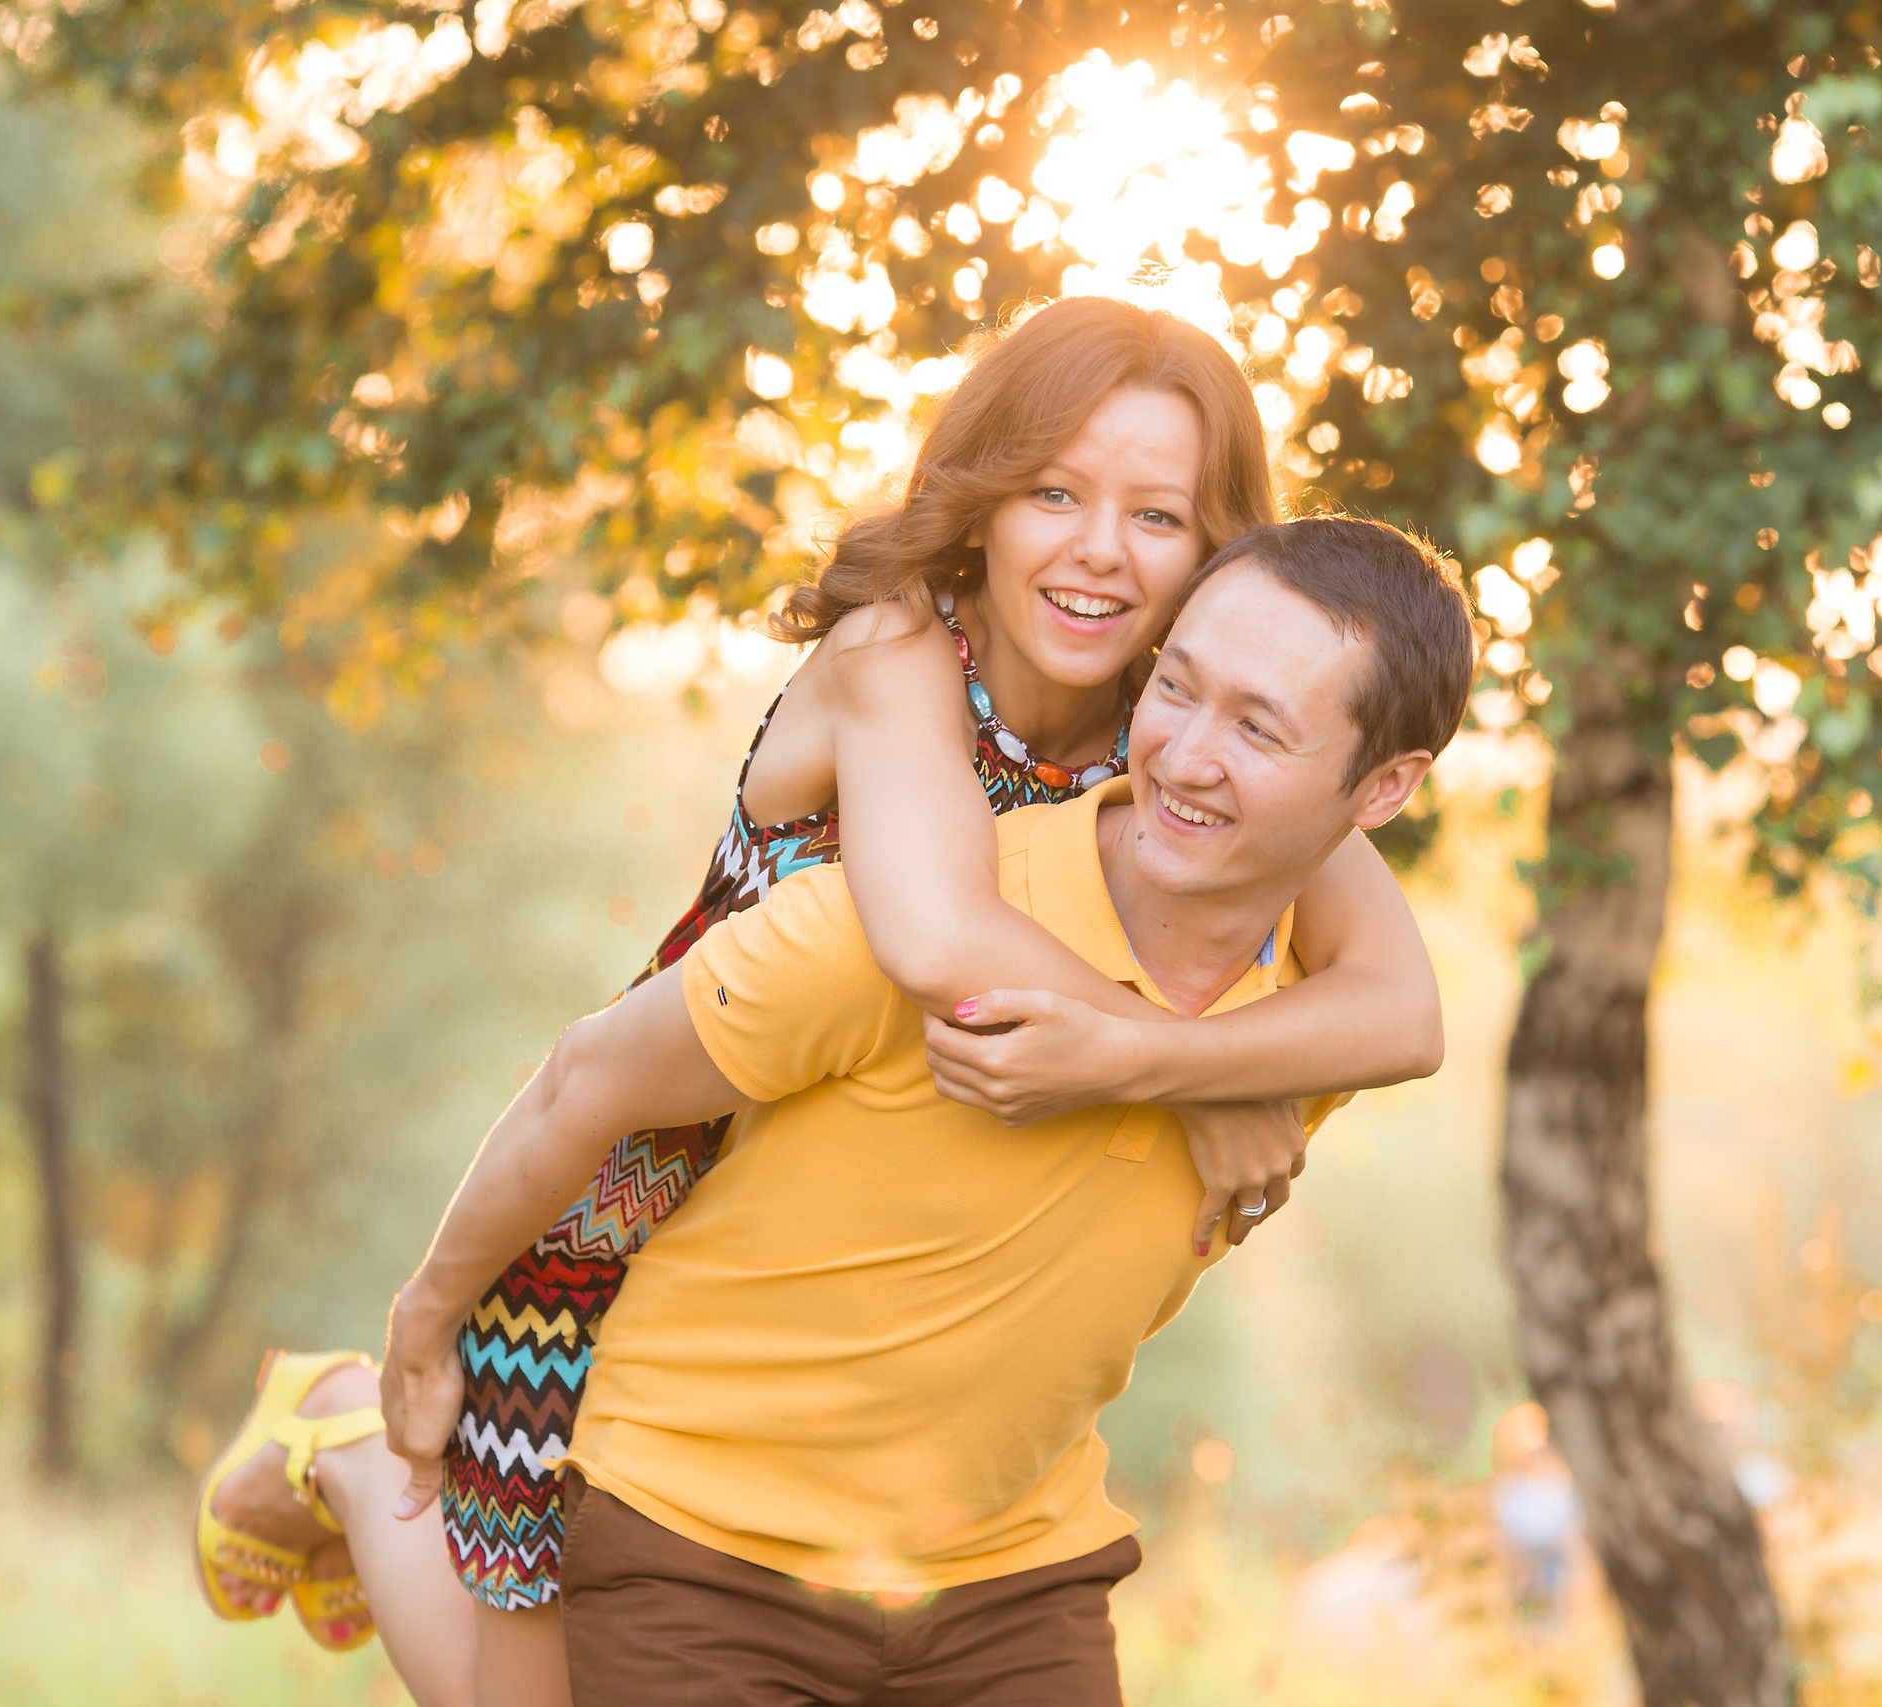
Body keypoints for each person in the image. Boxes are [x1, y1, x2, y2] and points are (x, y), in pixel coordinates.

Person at [189, 299, 1448, 1707]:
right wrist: (1188, 1073)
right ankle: (339, 1438)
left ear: (1216, 551)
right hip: (652, 1153)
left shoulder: (1182, 724)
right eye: (1054, 493)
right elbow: (935, 931)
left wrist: (1178, 1066)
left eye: (1156, 516)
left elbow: (1401, 1009)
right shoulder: (895, 651)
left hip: (831, 1183)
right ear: (983, 498)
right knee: (511, 1693)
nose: (1100, 548)